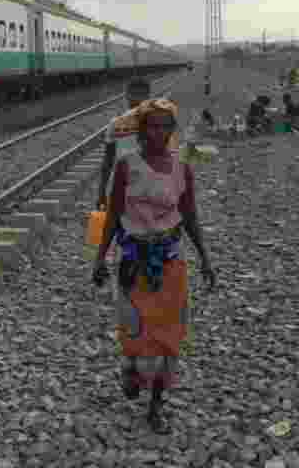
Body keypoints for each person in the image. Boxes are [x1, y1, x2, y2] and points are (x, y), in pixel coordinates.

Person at [91, 99, 216, 434]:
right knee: (134, 327)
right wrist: (99, 257)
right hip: (133, 261)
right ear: (141, 130)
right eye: (151, 126)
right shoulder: (127, 166)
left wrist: (205, 258)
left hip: (171, 262)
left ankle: (156, 406)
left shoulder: (182, 168)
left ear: (172, 130)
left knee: (169, 336)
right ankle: (132, 367)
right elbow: (114, 215)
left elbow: (190, 216)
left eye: (164, 126)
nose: (157, 133)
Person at [98, 78, 153, 211]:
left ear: (126, 96)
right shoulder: (158, 123)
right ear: (149, 97)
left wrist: (101, 192)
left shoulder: (116, 123)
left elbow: (108, 162)